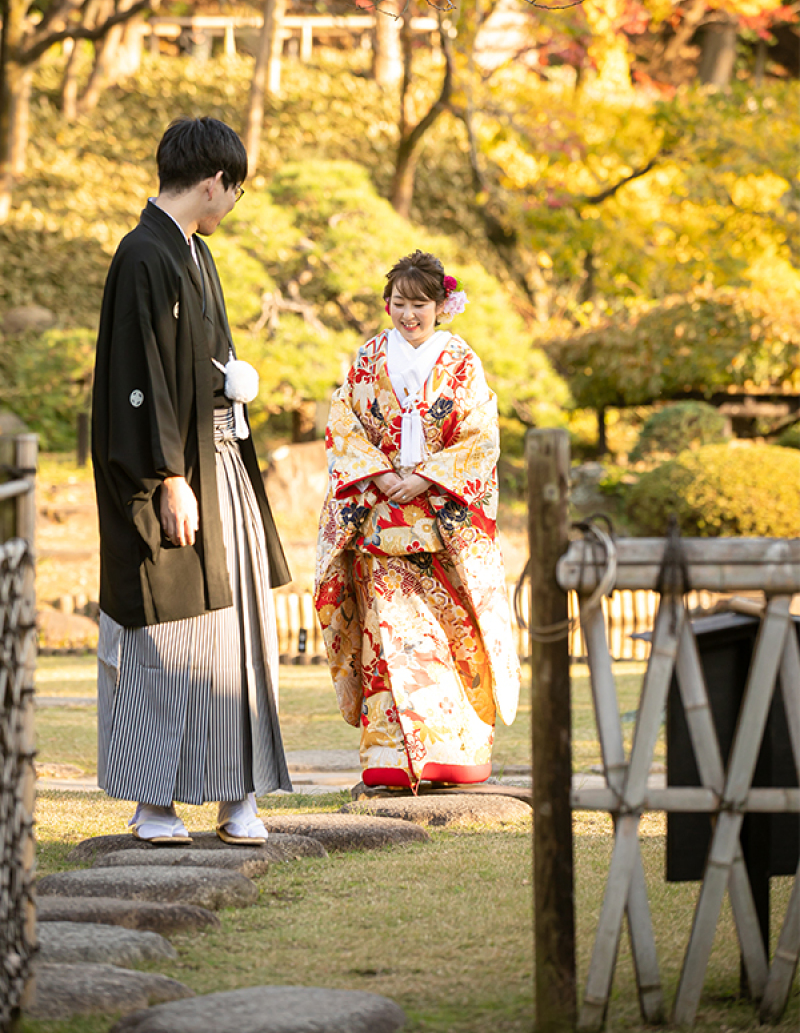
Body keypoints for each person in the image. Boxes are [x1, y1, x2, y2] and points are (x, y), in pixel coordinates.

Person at [92, 116, 292, 844]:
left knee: (238, 634)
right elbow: (138, 378)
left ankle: (239, 794)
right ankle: (154, 801)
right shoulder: (144, 254)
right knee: (167, 635)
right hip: (172, 470)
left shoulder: (193, 255)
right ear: (215, 182)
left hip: (219, 459)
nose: (234, 200)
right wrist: (169, 476)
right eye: (234, 187)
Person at [314, 250, 520, 789]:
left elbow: (480, 434)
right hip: (380, 514)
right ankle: (389, 754)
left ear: (441, 306)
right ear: (387, 305)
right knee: (386, 638)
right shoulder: (366, 359)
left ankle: (455, 751)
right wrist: (383, 477)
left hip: (440, 518)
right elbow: (344, 425)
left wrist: (426, 478)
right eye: (400, 303)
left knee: (450, 633)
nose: (409, 315)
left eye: (420, 304)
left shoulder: (460, 361)